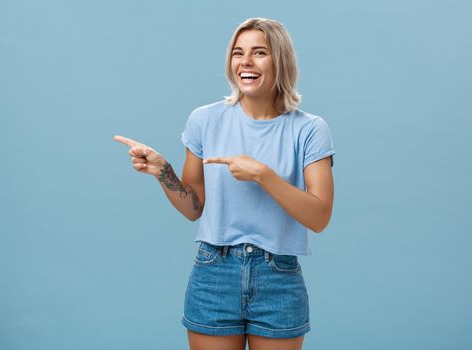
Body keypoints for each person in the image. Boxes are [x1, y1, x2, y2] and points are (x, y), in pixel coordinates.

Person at [114, 17, 335, 350]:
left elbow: (319, 217)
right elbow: (194, 208)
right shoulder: (205, 120)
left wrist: (263, 176)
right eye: (238, 52)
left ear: (281, 60)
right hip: (214, 272)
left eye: (259, 52)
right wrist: (164, 172)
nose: (245, 61)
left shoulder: (310, 129)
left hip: (278, 275)